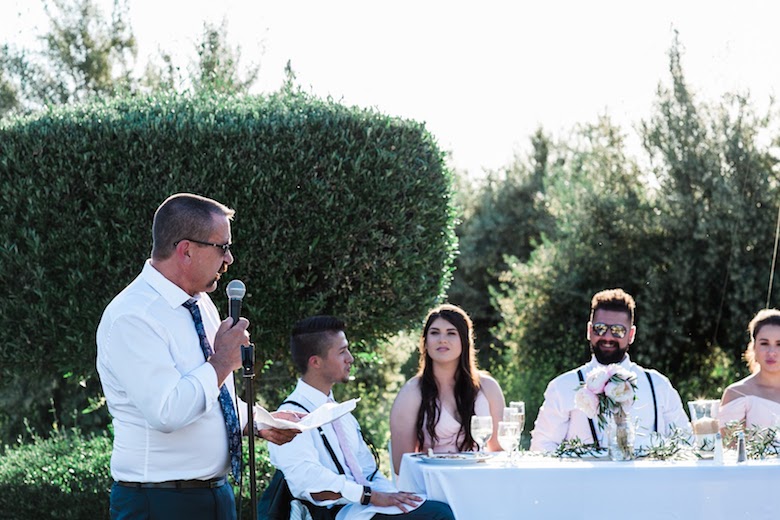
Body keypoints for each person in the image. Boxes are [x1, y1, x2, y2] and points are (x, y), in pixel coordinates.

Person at [96, 193, 298, 520]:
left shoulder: (201, 303)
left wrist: (259, 422)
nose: (229, 259)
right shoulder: (132, 317)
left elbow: (211, 396)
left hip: (216, 495)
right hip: (159, 502)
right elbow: (168, 411)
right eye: (223, 247)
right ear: (186, 250)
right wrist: (221, 361)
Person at [268, 315, 455, 520]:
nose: (350, 358)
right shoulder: (289, 418)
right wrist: (370, 496)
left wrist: (393, 497)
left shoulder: (340, 413)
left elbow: (368, 470)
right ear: (316, 362)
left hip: (365, 509)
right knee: (439, 515)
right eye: (342, 352)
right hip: (338, 514)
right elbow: (307, 481)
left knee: (442, 505)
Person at [530, 288, 690, 451]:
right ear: (589, 331)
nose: (607, 337)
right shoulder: (562, 386)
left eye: (618, 331)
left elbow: (686, 442)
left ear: (631, 335)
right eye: (600, 328)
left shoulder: (658, 385)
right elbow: (541, 447)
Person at [389, 304, 505, 474]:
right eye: (434, 333)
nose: (442, 339)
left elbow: (498, 450)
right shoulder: (412, 392)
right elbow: (402, 465)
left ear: (464, 341)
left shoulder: (488, 387)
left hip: (480, 479)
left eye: (451, 333)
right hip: (435, 485)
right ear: (425, 343)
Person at [718, 308, 780, 430]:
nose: (772, 352)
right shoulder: (737, 394)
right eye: (764, 343)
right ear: (754, 347)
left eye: (779, 344)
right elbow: (728, 446)